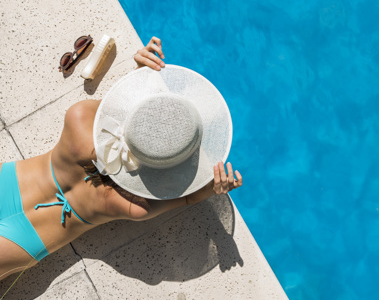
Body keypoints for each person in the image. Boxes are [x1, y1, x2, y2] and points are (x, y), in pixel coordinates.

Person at [0, 37, 242, 281]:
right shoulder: (136, 205)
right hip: (27, 238)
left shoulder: (80, 118)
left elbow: (115, 110)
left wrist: (139, 73)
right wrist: (214, 187)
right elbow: (188, 198)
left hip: (10, 181)